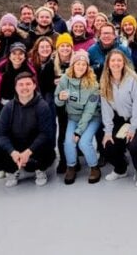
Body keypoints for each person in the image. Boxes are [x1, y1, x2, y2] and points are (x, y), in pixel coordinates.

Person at [100, 50, 137, 187]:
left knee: (134, 144)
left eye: (119, 60)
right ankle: (121, 169)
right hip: (123, 117)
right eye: (113, 60)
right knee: (108, 144)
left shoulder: (132, 79)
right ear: (108, 64)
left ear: (124, 63)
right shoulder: (105, 82)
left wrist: (133, 127)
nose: (116, 63)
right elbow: (106, 109)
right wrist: (108, 131)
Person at [0, 42, 37, 174]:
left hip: (22, 109)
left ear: (25, 55)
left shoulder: (30, 71)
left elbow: (35, 90)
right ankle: (0, 165)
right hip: (1, 108)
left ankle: (17, 163)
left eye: (21, 53)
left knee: (17, 137)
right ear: (9, 55)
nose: (17, 56)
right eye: (14, 53)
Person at [0, 72, 56, 187]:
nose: (24, 87)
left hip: (34, 145)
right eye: (21, 85)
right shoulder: (8, 108)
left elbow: (45, 133)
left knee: (47, 147)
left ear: (34, 86)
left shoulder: (42, 106)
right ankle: (12, 170)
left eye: (28, 84)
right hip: (16, 144)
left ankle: (39, 169)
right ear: (15, 87)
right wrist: (13, 152)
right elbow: (1, 134)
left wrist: (28, 152)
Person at [55, 51, 102, 184]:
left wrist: (78, 131)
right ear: (73, 65)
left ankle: (94, 166)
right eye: (78, 64)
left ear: (87, 67)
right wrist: (60, 98)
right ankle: (71, 166)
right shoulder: (65, 80)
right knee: (69, 142)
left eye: (84, 64)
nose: (81, 67)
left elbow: (89, 110)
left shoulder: (93, 84)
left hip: (92, 117)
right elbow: (57, 99)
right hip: (73, 116)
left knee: (84, 142)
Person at [52, 33, 75, 173]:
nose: (65, 48)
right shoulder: (52, 63)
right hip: (60, 103)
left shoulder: (77, 61)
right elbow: (44, 82)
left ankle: (75, 158)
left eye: (68, 46)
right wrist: (53, 83)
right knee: (62, 131)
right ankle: (63, 160)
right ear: (57, 48)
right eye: (62, 46)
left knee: (75, 131)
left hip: (75, 103)